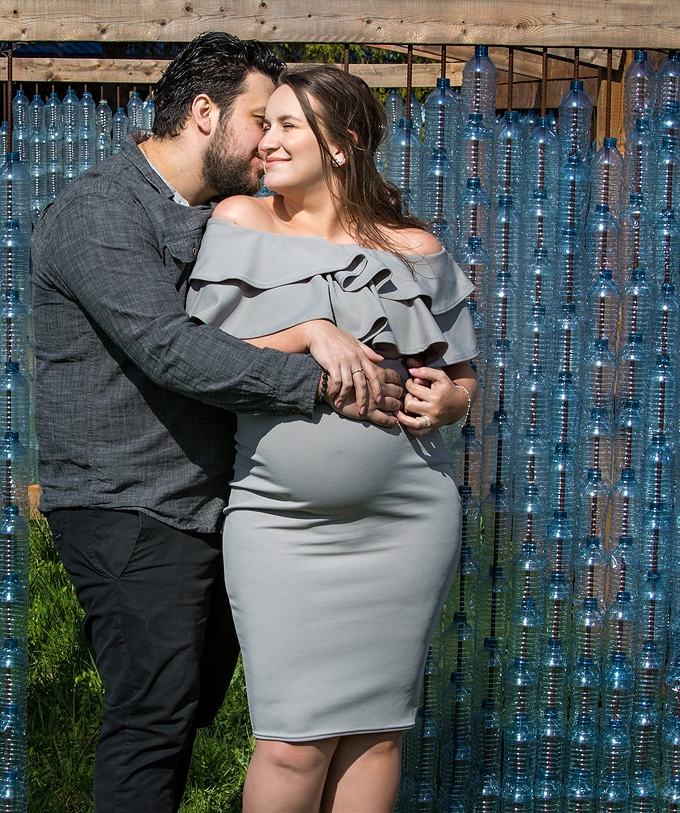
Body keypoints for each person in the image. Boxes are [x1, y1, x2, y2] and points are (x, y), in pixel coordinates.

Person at [31, 34, 407, 812]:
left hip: (207, 510)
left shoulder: (216, 219)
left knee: (189, 710)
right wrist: (329, 379)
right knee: (153, 718)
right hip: (129, 507)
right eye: (258, 118)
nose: (269, 139)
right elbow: (173, 351)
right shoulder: (98, 212)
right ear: (205, 113)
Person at [184, 64, 480, 812]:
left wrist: (452, 401)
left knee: (377, 734)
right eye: (267, 123)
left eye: (289, 126)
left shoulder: (414, 246)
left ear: (344, 143)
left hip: (406, 517)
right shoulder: (241, 221)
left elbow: (465, 376)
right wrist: (312, 331)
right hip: (281, 521)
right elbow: (200, 350)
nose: (268, 140)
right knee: (291, 742)